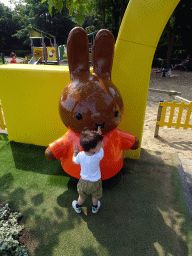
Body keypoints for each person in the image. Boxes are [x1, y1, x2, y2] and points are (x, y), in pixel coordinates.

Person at [72, 126, 104, 214]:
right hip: (96, 182)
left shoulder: (81, 155)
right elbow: (102, 147)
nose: (101, 145)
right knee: (95, 196)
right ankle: (95, 208)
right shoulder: (98, 155)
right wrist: (99, 135)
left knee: (82, 197)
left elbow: (74, 161)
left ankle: (78, 207)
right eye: (99, 144)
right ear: (92, 149)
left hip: (84, 182)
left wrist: (75, 153)